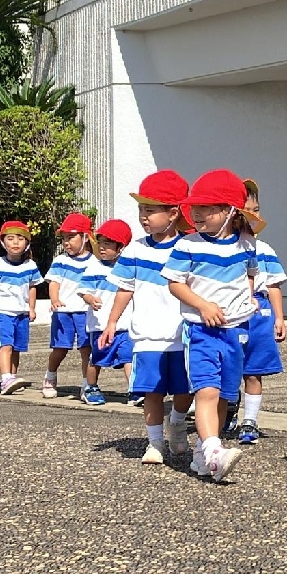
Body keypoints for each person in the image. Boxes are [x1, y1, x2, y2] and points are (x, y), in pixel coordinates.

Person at [164, 169, 263, 483]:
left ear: (230, 211)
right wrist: (203, 305)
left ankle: (204, 453)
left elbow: (249, 275)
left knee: (224, 396)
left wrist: (250, 297)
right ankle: (212, 449)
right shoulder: (188, 245)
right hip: (200, 332)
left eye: (207, 207)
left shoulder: (247, 246)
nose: (197, 212)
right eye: (195, 206)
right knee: (206, 391)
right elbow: (175, 284)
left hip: (235, 332)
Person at [102, 171, 194, 465]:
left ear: (173, 213)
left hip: (183, 335)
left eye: (150, 210)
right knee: (152, 391)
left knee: (185, 391)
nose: (143, 217)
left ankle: (178, 424)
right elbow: (124, 289)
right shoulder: (135, 250)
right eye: (141, 210)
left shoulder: (189, 247)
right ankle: (155, 443)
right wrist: (113, 322)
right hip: (147, 335)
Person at [234, 179, 287, 444]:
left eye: (256, 209)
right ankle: (228, 409)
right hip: (228, 314)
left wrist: (279, 318)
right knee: (226, 369)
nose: (253, 216)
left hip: (258, 313)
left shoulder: (264, 250)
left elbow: (274, 285)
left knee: (253, 371)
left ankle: (250, 421)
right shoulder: (222, 249)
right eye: (246, 209)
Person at [43, 212, 99, 399]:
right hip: (63, 311)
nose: (67, 242)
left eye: (71, 237)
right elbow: (54, 282)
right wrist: (55, 300)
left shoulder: (95, 262)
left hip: (86, 312)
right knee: (60, 348)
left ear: (85, 237)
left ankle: (87, 385)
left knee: (86, 349)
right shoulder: (61, 261)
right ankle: (50, 376)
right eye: (64, 238)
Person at [0, 220, 42, 395]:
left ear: (27, 243)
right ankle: (5, 378)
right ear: (3, 242)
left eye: (20, 238)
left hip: (22, 312)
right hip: (2, 311)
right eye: (10, 238)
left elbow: (33, 287)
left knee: (17, 347)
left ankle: (13, 376)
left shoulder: (30, 266)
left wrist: (31, 308)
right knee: (6, 345)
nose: (15, 242)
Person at [84, 219, 135, 405]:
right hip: (100, 323)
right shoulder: (93, 266)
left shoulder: (127, 267)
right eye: (101, 243)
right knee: (97, 358)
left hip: (124, 325)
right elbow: (84, 290)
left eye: (108, 243)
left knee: (129, 356)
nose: (103, 248)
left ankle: (134, 389)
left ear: (120, 247)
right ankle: (90, 386)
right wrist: (90, 299)